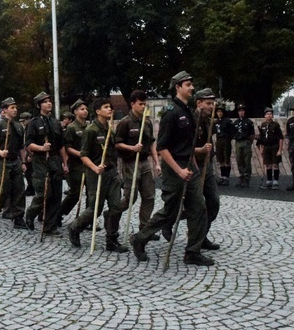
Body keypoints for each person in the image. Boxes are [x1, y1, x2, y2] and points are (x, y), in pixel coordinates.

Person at [131, 71, 213, 266]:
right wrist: (179, 170)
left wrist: (192, 164)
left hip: (188, 166)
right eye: (188, 84)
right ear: (178, 87)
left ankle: (192, 252)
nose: (192, 87)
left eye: (192, 84)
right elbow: (162, 148)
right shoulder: (171, 112)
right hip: (174, 169)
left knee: (199, 209)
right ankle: (140, 238)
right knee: (170, 211)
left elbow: (189, 145)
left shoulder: (189, 112)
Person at [66, 98, 129, 253]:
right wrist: (95, 168)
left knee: (116, 207)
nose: (110, 109)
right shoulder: (91, 130)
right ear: (98, 111)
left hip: (111, 174)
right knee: (95, 209)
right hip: (96, 174)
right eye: (106, 107)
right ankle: (75, 227)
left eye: (110, 107)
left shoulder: (109, 130)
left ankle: (111, 239)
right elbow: (83, 155)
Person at [115, 89, 161, 238]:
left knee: (149, 196)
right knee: (130, 198)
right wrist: (132, 148)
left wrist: (156, 162)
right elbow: (117, 144)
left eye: (144, 104)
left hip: (144, 162)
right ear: (132, 104)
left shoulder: (146, 122)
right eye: (140, 104)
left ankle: (144, 228)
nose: (143, 107)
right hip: (130, 163)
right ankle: (112, 214)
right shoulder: (125, 122)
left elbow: (152, 143)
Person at [25, 92, 69, 235]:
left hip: (55, 159)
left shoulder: (55, 122)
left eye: (50, 101)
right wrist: (41, 148)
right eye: (45, 102)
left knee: (56, 194)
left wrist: (65, 163)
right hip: (40, 160)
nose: (49, 103)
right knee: (45, 193)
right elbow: (29, 144)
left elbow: (61, 144)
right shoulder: (34, 123)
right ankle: (30, 214)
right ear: (39, 105)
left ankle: (49, 226)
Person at [0, 98, 27, 228]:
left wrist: (24, 161)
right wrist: (0, 152)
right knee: (2, 189)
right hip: (1, 161)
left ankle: (18, 217)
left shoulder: (19, 126)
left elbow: (21, 147)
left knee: (19, 190)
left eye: (15, 107)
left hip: (15, 161)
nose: (15, 110)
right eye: (12, 108)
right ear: (4, 111)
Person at [193, 88, 221, 251]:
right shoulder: (191, 120)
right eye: (208, 103)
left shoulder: (208, 121)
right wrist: (200, 150)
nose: (211, 106)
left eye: (212, 103)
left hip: (206, 166)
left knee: (213, 202)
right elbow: (185, 148)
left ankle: (202, 235)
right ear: (199, 103)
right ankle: (169, 223)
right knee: (187, 205)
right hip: (192, 166)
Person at [61, 99, 88, 218]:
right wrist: (80, 154)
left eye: (86, 109)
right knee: (75, 193)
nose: (85, 111)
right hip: (76, 165)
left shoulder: (90, 126)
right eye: (82, 109)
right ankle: (59, 213)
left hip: (90, 164)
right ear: (75, 112)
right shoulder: (71, 128)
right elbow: (67, 147)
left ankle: (88, 218)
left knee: (91, 193)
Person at [257, 108, 284, 189]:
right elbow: (261, 139)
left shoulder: (276, 125)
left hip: (274, 146)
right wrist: (261, 149)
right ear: (265, 115)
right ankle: (269, 180)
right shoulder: (263, 125)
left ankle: (276, 180)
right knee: (268, 164)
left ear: (272, 115)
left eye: (270, 114)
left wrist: (280, 149)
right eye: (267, 114)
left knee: (275, 164)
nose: (269, 115)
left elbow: (280, 138)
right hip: (266, 147)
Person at [232, 104, 255, 187]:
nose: (241, 112)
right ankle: (241, 177)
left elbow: (252, 134)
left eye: (242, 110)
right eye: (239, 111)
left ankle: (246, 178)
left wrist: (249, 143)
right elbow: (233, 132)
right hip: (238, 142)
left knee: (246, 161)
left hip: (246, 142)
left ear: (244, 112)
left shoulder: (248, 122)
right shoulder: (236, 122)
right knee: (239, 160)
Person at [213, 106, 234, 186]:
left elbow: (232, 131)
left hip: (226, 140)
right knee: (220, 159)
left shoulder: (227, 121)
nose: (219, 113)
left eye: (221, 112)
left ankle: (226, 177)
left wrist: (229, 138)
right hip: (219, 140)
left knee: (226, 159)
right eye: (218, 112)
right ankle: (222, 176)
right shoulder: (216, 122)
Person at [20, 111, 35, 196]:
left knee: (29, 172)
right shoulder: (25, 128)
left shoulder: (30, 128)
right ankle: (30, 188)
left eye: (24, 121)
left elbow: (29, 142)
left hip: (30, 153)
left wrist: (30, 154)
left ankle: (31, 188)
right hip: (26, 153)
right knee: (28, 172)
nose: (23, 123)